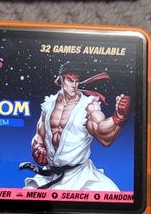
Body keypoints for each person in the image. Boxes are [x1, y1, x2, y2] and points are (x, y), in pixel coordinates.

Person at [20, 61, 131, 190]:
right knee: (23, 197)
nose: (74, 85)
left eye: (77, 81)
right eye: (70, 80)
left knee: (112, 195)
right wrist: (38, 149)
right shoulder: (48, 105)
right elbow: (39, 136)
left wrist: (119, 117)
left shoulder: (88, 105)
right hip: (49, 175)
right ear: (61, 79)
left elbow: (104, 135)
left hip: (81, 177)